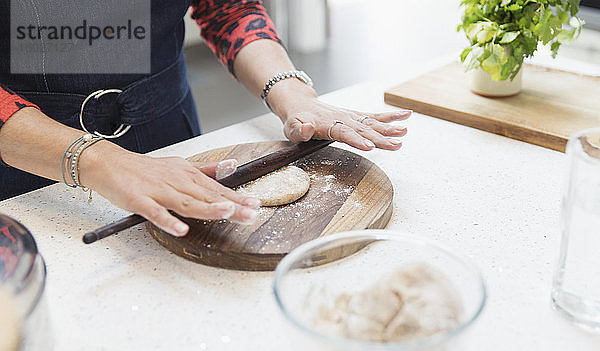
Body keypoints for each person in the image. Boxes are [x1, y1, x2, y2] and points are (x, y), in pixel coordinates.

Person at [0, 0, 410, 237]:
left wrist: (294, 94)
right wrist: (101, 162)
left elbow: (227, 7)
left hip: (166, 124)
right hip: (32, 156)